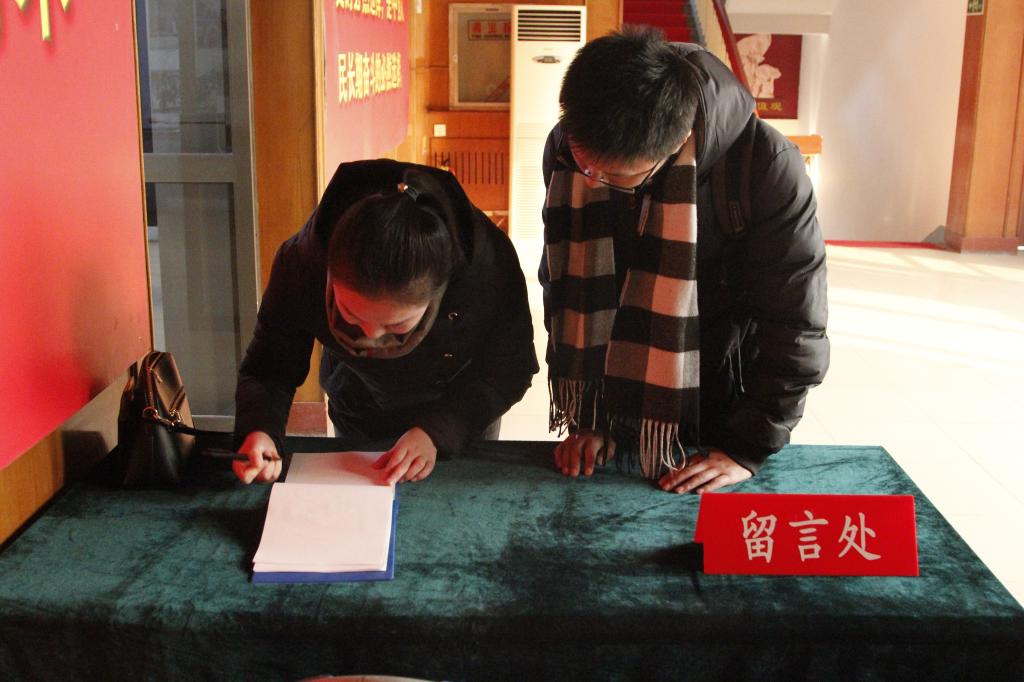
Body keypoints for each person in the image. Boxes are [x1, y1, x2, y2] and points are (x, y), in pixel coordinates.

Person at [540, 27, 829, 494]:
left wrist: (747, 446)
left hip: (723, 391)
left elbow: (795, 322)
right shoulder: (570, 149)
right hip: (616, 392)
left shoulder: (766, 165)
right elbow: (568, 288)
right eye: (582, 163)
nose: (587, 180)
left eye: (612, 176)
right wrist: (594, 417)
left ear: (672, 146)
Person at [233, 159, 538, 485]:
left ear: (438, 294)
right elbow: (269, 366)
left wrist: (439, 431)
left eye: (396, 326)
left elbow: (510, 366)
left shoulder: (486, 266)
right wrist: (260, 430)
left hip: (459, 404)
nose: (371, 335)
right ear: (329, 275)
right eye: (351, 316)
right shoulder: (302, 262)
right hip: (359, 402)